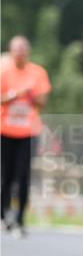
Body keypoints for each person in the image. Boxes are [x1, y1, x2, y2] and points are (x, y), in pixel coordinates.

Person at [0, 36, 52, 236]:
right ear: (11, 52)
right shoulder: (4, 71)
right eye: (16, 50)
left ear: (27, 52)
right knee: (6, 174)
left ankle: (20, 217)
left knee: (23, 175)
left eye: (23, 50)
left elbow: (42, 101)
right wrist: (13, 95)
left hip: (28, 131)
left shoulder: (37, 73)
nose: (20, 53)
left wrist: (29, 95)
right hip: (5, 130)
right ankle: (3, 215)